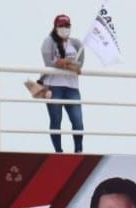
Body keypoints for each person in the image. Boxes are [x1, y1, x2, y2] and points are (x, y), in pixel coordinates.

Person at [39, 13, 85, 153]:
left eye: (67, 25)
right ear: (55, 27)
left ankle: (78, 151)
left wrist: (63, 63)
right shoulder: (49, 41)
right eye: (61, 25)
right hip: (54, 86)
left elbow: (79, 65)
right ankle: (58, 151)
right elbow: (48, 63)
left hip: (72, 88)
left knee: (78, 121)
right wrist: (68, 64)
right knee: (56, 120)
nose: (64, 28)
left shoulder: (76, 43)